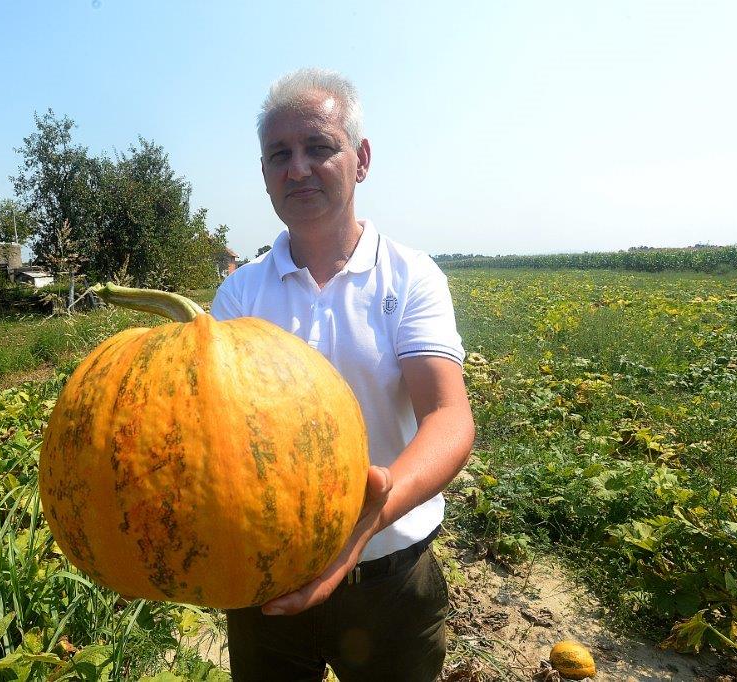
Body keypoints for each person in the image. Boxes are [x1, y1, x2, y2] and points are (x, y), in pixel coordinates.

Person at [211, 68, 475, 682]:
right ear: (264, 174)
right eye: (279, 154)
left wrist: (371, 516)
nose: (297, 168)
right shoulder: (238, 294)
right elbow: (212, 435)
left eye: (318, 147)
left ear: (360, 158)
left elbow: (448, 416)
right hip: (265, 582)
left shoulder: (411, 279)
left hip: (390, 575)